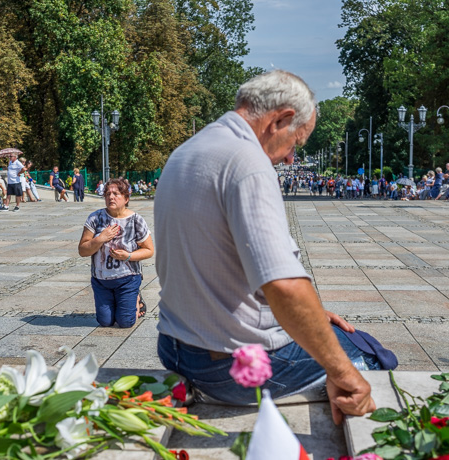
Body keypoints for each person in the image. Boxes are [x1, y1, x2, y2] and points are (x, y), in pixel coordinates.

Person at [154, 70, 379, 421]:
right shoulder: (248, 163)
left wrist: (311, 317)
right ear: (281, 120)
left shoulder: (187, 151)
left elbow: (219, 266)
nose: (291, 158)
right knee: (368, 357)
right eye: (296, 143)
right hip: (229, 365)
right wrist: (344, 374)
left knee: (328, 333)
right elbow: (283, 285)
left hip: (175, 348)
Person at [78, 178, 154, 328]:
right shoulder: (95, 218)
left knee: (126, 322)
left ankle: (136, 298)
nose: (110, 197)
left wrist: (129, 256)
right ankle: (118, 301)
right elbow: (82, 250)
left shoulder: (136, 220)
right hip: (101, 280)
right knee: (105, 322)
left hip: (128, 279)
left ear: (126, 198)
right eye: (107, 194)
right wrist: (100, 239)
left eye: (115, 193)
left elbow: (149, 250)